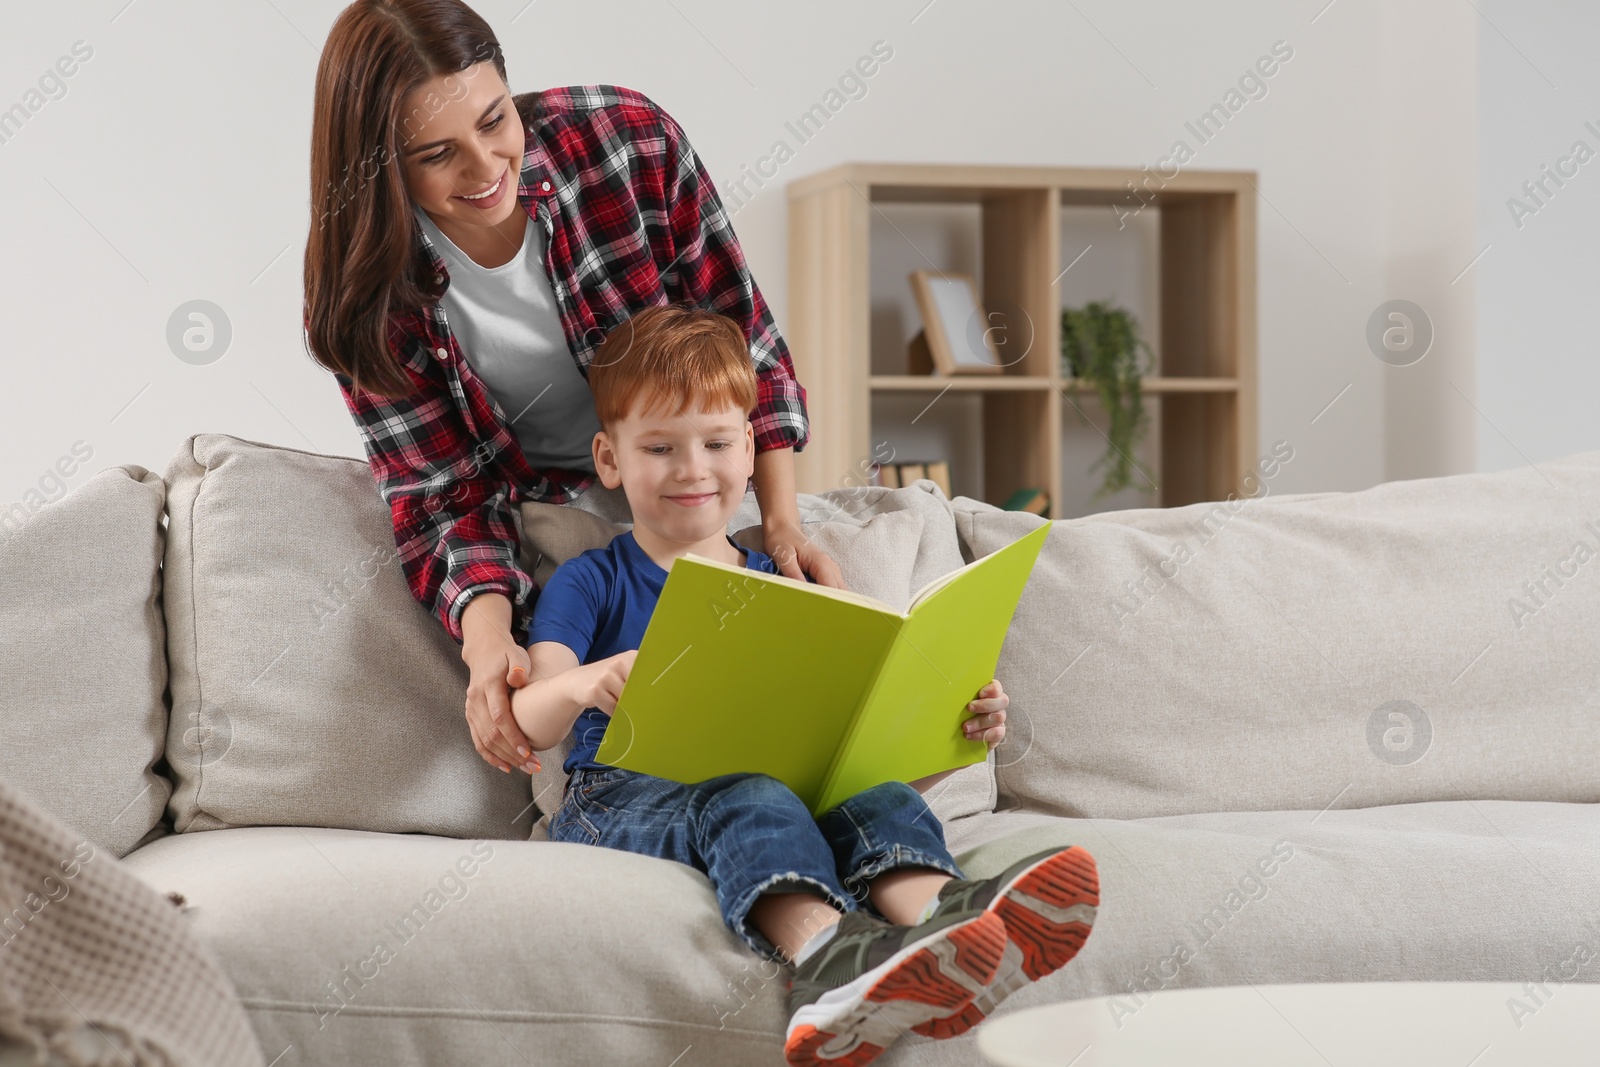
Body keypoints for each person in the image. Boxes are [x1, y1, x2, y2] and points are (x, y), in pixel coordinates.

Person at [512, 305, 1098, 1066]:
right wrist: (587, 680)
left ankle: (944, 929)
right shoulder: (596, 577)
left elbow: (848, 760)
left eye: (718, 443)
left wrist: (952, 735)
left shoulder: (780, 587)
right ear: (610, 458)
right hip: (619, 797)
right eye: (660, 447)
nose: (694, 468)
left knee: (880, 799)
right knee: (752, 794)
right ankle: (826, 961)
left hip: (778, 790)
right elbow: (532, 717)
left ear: (750, 449)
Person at [300, 0, 843, 784]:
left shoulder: (629, 141)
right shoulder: (368, 301)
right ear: (381, 165)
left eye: (495, 121)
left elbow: (741, 336)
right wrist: (489, 644)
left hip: (686, 474)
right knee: (616, 741)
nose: (486, 169)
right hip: (545, 510)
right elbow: (444, 496)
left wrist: (783, 522)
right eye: (436, 154)